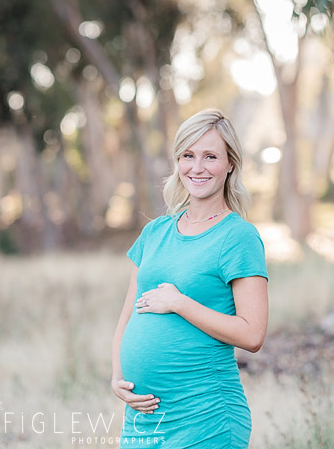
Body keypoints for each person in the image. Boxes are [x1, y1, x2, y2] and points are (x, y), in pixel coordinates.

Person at [111, 109, 269, 448]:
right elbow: (128, 313)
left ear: (230, 164)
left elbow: (253, 334)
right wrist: (117, 375)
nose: (197, 167)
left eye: (210, 156)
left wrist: (180, 303)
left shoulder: (238, 237)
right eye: (188, 155)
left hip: (205, 417)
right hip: (143, 420)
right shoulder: (155, 231)